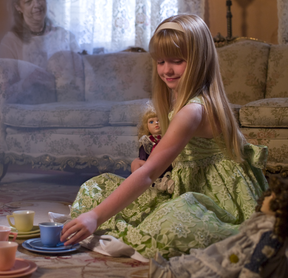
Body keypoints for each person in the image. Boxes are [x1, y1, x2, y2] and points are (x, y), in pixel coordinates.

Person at [61, 14, 269, 260]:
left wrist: (95, 217)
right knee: (96, 188)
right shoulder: (189, 99)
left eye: (177, 61)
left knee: (167, 225)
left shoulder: (192, 110)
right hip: (190, 184)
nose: (166, 70)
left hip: (220, 199)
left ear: (200, 61)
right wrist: (148, 167)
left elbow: (149, 174)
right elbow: (179, 160)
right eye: (160, 61)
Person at [148, 177, 288, 278]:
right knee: (208, 255)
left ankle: (165, 275)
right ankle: (171, 266)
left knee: (213, 269)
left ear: (283, 208)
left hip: (243, 259)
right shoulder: (266, 222)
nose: (265, 198)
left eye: (272, 197)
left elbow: (259, 256)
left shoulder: (271, 234)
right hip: (237, 250)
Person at [0, 0, 78, 69]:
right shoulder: (11, 42)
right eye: (28, 1)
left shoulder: (64, 36)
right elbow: (2, 76)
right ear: (18, 7)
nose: (37, 4)